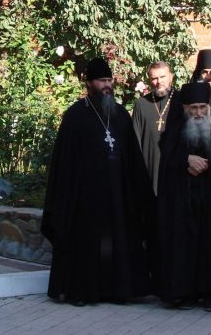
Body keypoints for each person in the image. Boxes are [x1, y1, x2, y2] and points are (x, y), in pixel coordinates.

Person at [41, 57, 154, 306]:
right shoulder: (75, 116)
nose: (107, 85)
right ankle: (83, 291)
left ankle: (118, 290)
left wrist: (140, 193)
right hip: (86, 197)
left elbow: (134, 158)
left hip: (118, 195)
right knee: (87, 243)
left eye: (109, 80)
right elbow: (64, 164)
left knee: (118, 241)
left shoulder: (121, 115)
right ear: (89, 83)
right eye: (101, 81)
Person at [155, 82, 211, 311]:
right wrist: (186, 160)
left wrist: (205, 165)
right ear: (184, 108)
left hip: (209, 198)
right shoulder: (174, 130)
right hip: (182, 199)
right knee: (183, 244)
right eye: (193, 108)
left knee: (209, 243)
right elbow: (167, 160)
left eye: (202, 108)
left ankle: (208, 293)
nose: (198, 113)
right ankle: (183, 292)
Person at [132, 61, 177, 194]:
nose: (159, 82)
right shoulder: (141, 104)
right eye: (154, 78)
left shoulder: (181, 102)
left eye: (163, 77)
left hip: (175, 172)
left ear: (171, 77)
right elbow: (135, 142)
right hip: (148, 172)